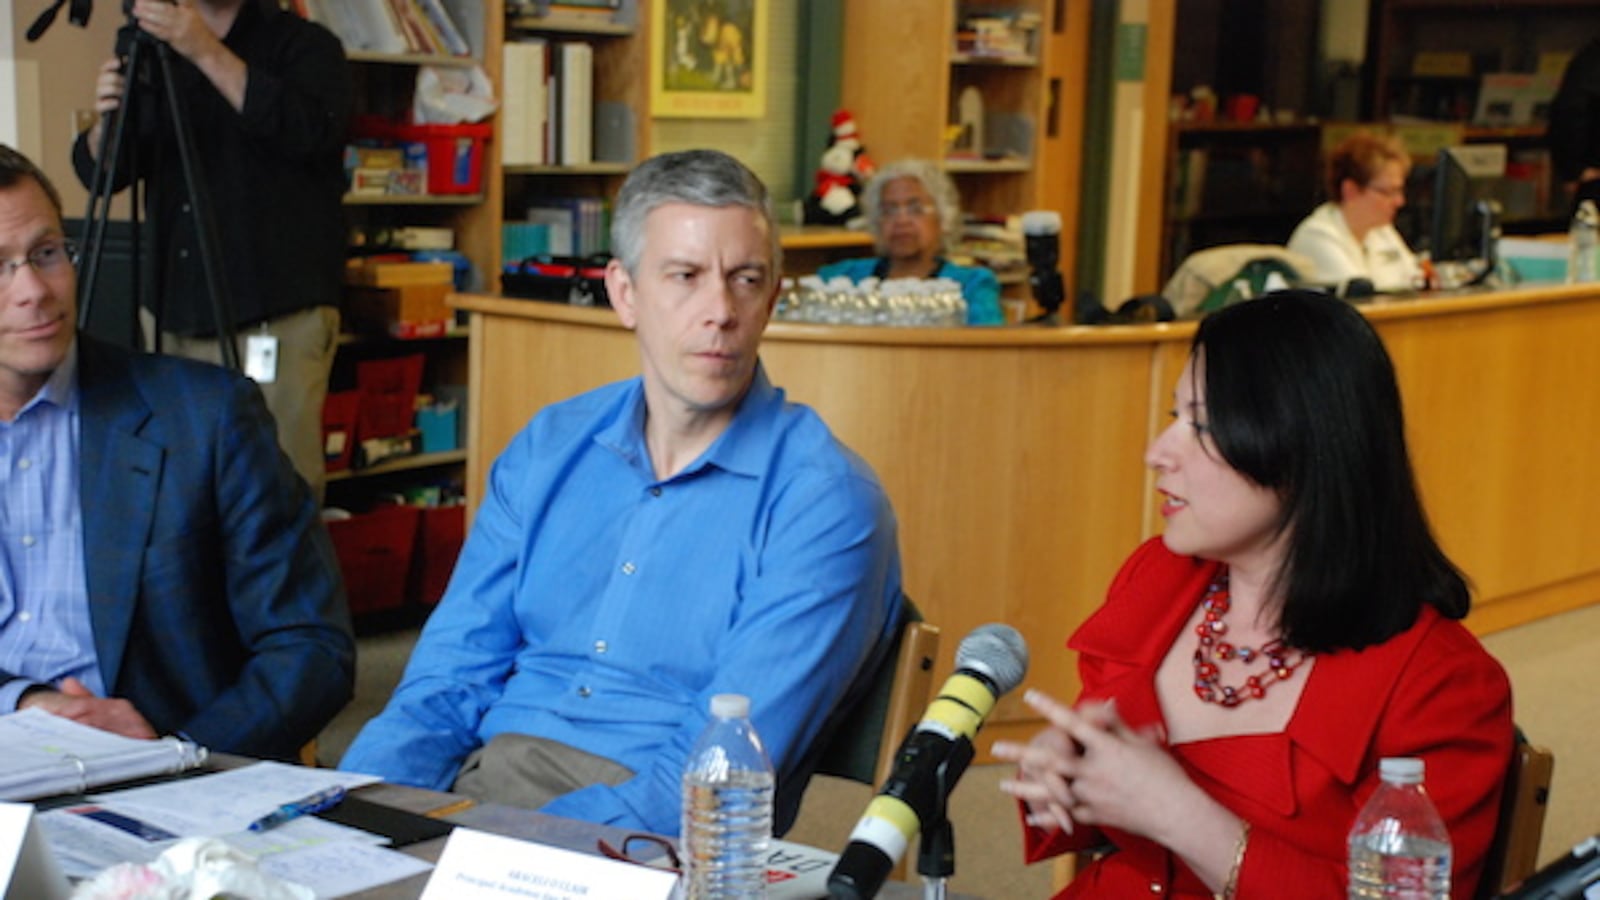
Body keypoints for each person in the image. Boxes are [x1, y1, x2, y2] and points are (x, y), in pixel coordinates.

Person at [340, 149, 903, 837]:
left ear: (773, 297)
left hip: (647, 836)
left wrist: (499, 847)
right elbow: (447, 681)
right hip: (483, 790)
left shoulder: (826, 503)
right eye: (685, 277)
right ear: (625, 293)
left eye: (745, 279)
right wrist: (351, 806)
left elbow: (710, 785)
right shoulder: (549, 447)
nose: (720, 311)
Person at [993, 291, 1513, 899]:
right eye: (1175, 417)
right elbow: (1107, 800)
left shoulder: (1443, 685)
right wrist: (1066, 771)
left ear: (1304, 446)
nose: (1156, 454)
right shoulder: (1158, 579)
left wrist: (1177, 811)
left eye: (1203, 426)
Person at [0, 144, 353, 761]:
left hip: (172, 770)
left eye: (47, 253)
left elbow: (311, 645)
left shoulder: (205, 417)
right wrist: (25, 703)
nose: (33, 290)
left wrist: (177, 756)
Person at [71, 0, 350, 501]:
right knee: (176, 485)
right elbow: (107, 173)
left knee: (274, 484)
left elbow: (312, 133)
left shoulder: (305, 45)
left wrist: (204, 51)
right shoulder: (154, 53)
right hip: (173, 309)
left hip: (274, 312)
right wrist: (104, 126)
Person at [817, 159, 1004, 325]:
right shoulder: (842, 278)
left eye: (916, 209)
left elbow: (988, 347)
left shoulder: (971, 286)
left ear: (944, 219)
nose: (901, 221)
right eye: (889, 210)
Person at [1286, 132, 1425, 293]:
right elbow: (1362, 300)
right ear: (1350, 190)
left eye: (1399, 190)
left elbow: (1416, 281)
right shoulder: (1317, 236)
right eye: (1388, 192)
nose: (1400, 201)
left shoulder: (1383, 232)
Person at [1550, 36, 1600, 213]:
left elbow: (1569, 110)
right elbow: (1571, 110)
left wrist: (1573, 169)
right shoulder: (1592, 61)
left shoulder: (1591, 59)